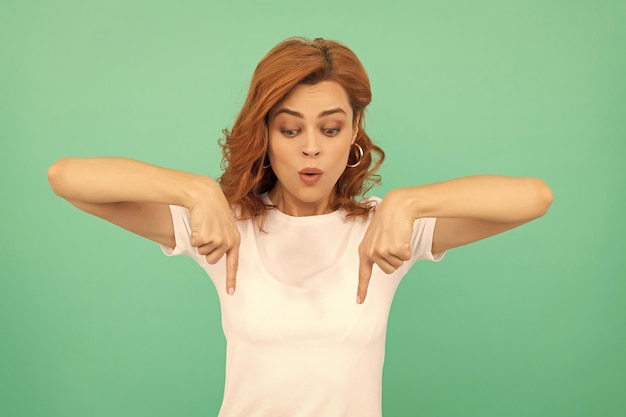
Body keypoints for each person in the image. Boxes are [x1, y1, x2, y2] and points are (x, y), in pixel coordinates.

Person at [48, 37, 553, 417]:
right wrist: (195, 191)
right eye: (290, 129)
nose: (311, 147)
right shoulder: (225, 227)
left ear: (354, 130)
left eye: (330, 129)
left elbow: (534, 198)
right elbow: (66, 177)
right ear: (265, 133)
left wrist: (410, 201)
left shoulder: (384, 231)